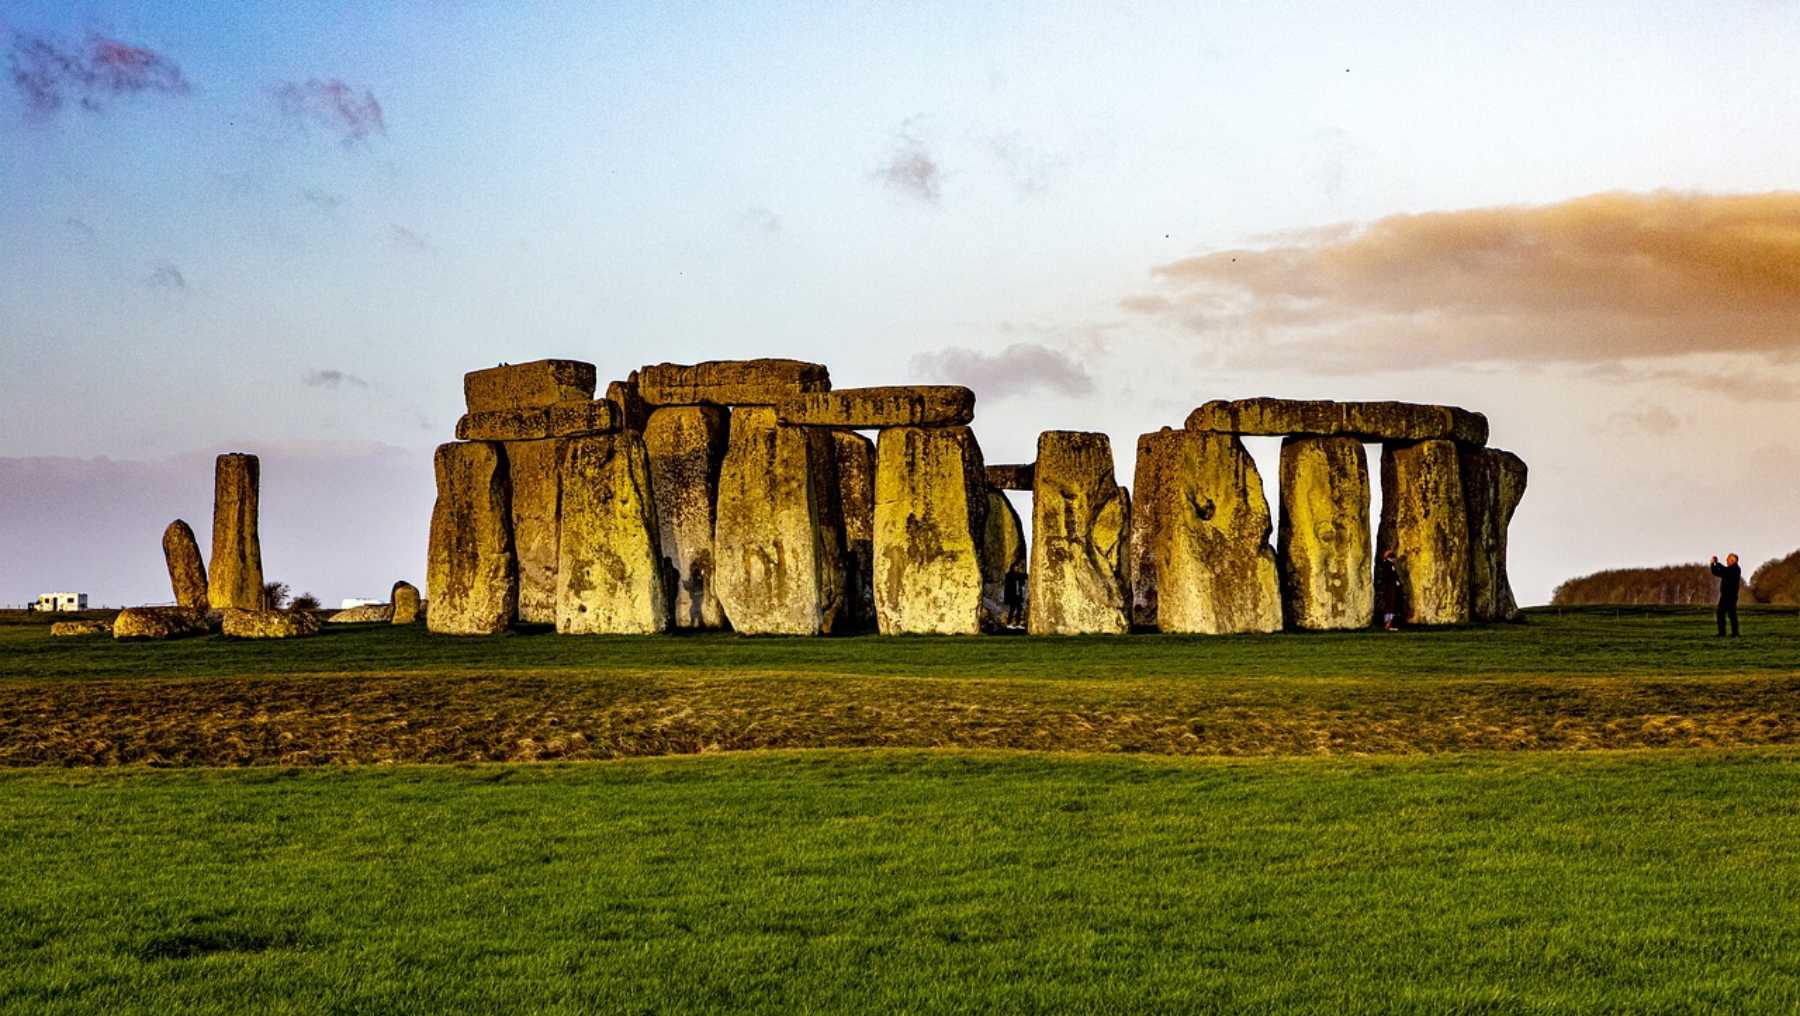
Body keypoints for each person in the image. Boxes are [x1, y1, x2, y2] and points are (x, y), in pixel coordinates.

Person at [1710, 553, 1741, 638]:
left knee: (1731, 615)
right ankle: (1723, 633)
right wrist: (1713, 564)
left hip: (1731, 596)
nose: (1726, 561)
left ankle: (1734, 634)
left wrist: (1718, 563)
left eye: (1728, 559)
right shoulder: (1729, 569)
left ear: (1733, 560)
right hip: (1725, 596)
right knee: (1721, 614)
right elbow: (1716, 572)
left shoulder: (1735, 569)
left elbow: (1724, 570)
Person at [1374, 548, 1402, 631]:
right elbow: (1389, 577)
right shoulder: (1387, 565)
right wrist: (1396, 582)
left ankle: (1389, 623)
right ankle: (1388, 624)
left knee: (1390, 606)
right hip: (1389, 588)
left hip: (1389, 588)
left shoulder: (1387, 565)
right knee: (1390, 606)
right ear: (1391, 558)